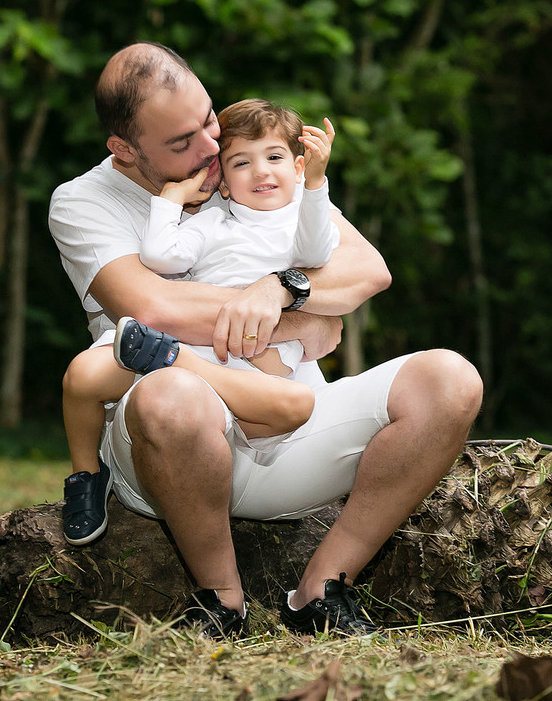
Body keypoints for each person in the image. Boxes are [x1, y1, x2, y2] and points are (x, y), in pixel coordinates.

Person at [48, 42, 483, 638]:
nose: (210, 148)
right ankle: (220, 599)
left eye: (208, 121)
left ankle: (322, 590)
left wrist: (284, 288)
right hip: (171, 441)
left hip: (295, 430)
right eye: (182, 142)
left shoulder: (246, 165)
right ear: (124, 149)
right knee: (169, 393)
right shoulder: (82, 202)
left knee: (450, 380)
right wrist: (308, 321)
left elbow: (368, 271)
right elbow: (152, 306)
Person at [58, 99, 340, 547]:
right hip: (191, 344)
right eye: (241, 163)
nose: (261, 172)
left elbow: (322, 251)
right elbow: (160, 256)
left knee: (292, 402)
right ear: (225, 182)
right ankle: (86, 475)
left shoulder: (305, 217)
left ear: (299, 167)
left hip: (253, 362)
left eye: (274, 158)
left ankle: (175, 361)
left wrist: (316, 186)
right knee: (82, 376)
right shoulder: (213, 222)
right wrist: (170, 202)